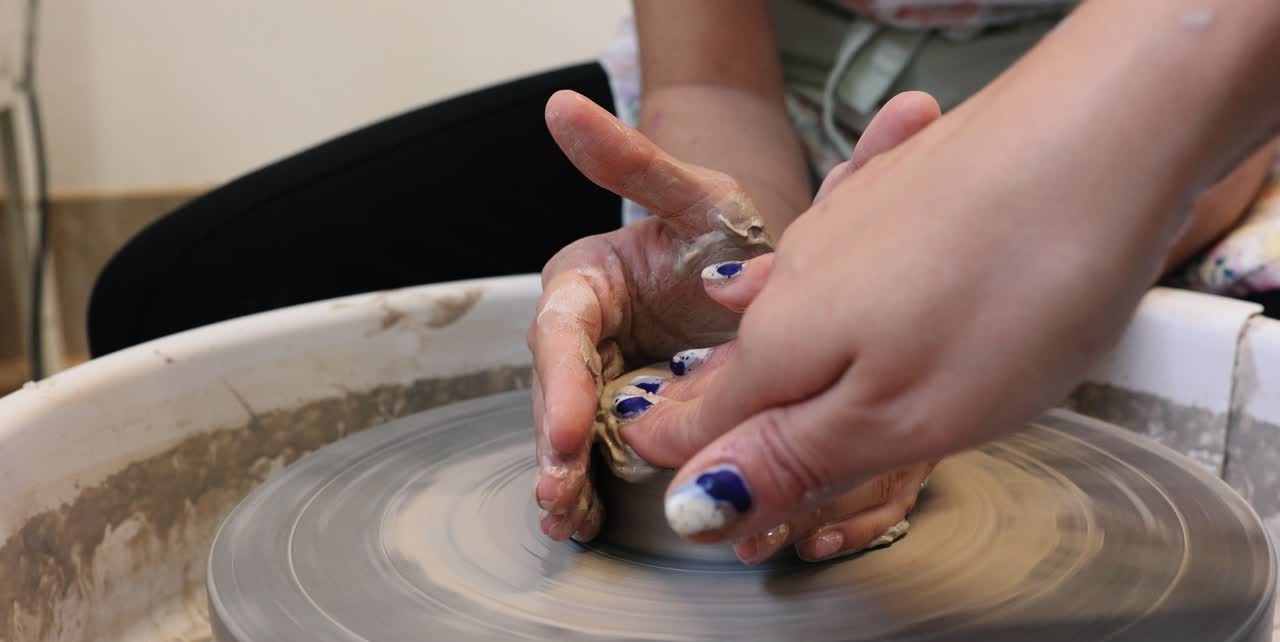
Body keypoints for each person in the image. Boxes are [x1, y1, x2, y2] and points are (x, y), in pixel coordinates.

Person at [89, 0, 1280, 565]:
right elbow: (711, 82)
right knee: (176, 296)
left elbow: (1212, 62)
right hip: (789, 89)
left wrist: (1001, 242)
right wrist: (738, 262)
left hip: (1186, 103)